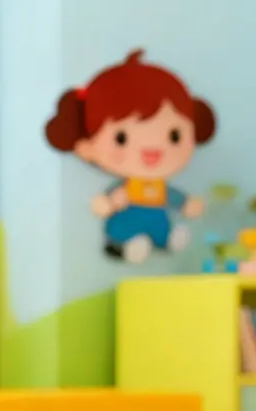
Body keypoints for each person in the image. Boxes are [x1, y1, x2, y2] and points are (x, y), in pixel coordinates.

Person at [45, 50, 212, 263]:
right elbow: (107, 202)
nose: (152, 147)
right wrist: (109, 203)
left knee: (161, 227)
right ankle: (121, 246)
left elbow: (173, 197)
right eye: (121, 138)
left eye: (174, 136)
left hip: (158, 221)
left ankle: (167, 239)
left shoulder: (160, 187)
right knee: (123, 228)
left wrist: (187, 204)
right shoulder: (124, 187)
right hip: (127, 221)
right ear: (86, 145)